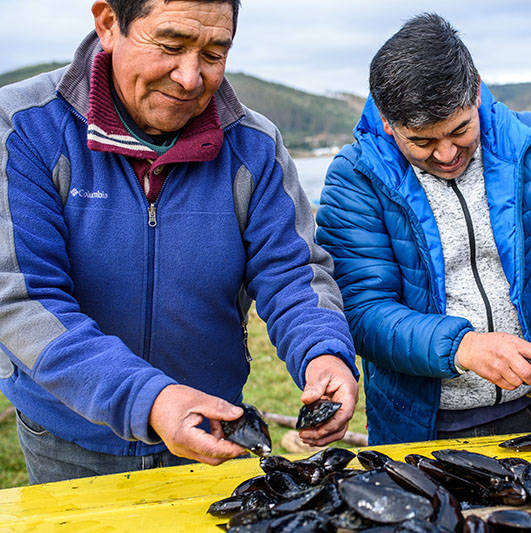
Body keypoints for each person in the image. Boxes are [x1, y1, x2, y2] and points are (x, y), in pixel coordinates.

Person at [0, 0, 359, 484]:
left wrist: (323, 351)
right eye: (171, 46)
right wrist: (149, 400)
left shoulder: (255, 144)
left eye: (214, 53)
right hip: (70, 438)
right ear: (108, 24)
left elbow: (292, 273)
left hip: (215, 431)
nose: (191, 78)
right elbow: (22, 297)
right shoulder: (23, 127)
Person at [316, 13, 531, 445]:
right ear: (387, 122)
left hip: (524, 404)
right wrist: (462, 347)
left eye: (460, 130)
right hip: (416, 421)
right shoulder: (355, 176)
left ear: (475, 90)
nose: (446, 153)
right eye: (421, 142)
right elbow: (363, 310)